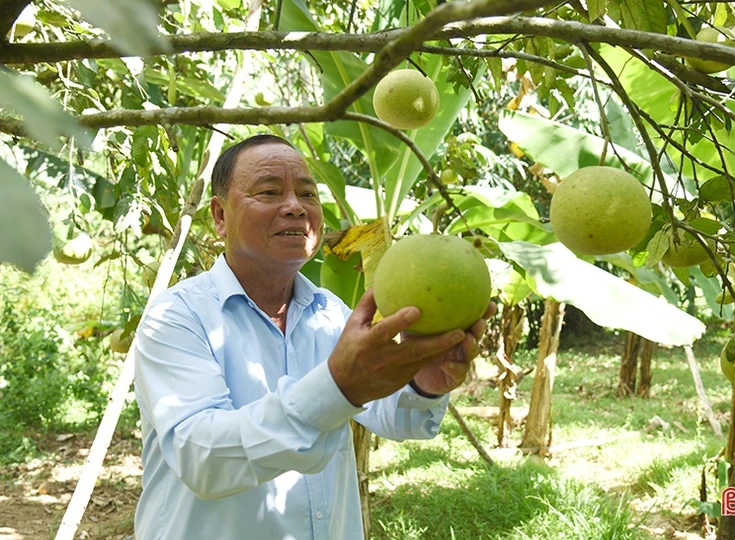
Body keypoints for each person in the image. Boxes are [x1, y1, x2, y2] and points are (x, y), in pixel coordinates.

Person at [132, 134, 495, 540]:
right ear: (220, 216)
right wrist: (336, 386)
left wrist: (425, 382)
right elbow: (203, 457)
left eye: (308, 193)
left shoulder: (332, 313)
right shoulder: (176, 316)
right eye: (269, 192)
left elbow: (393, 415)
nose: (295, 206)